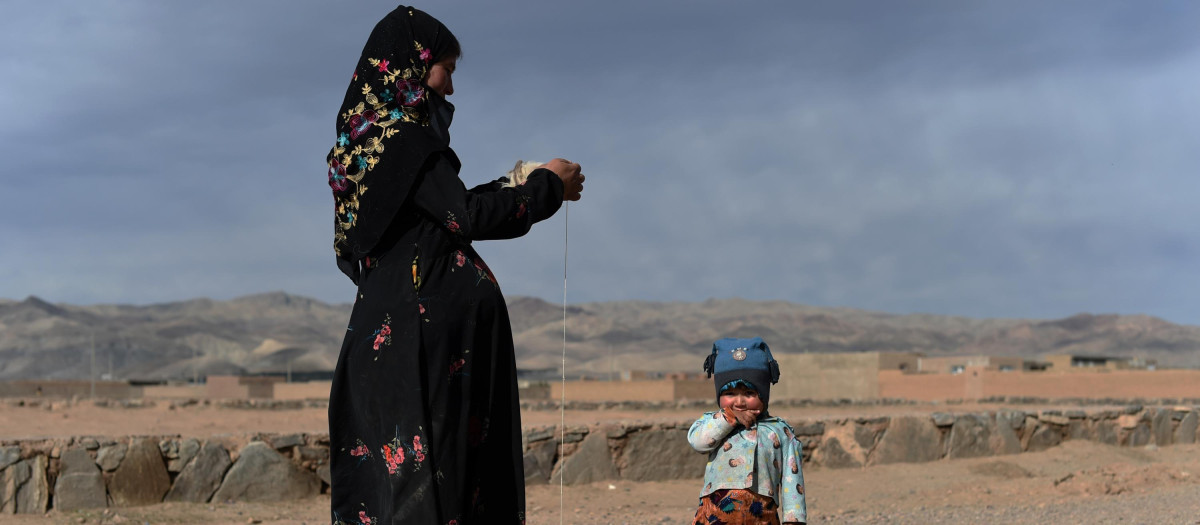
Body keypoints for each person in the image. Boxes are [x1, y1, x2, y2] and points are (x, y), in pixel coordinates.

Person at [324, 6, 584, 524]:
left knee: (398, 492)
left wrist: (517, 184)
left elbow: (442, 213)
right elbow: (465, 216)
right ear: (414, 66)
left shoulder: (364, 146)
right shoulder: (405, 142)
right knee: (434, 488)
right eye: (447, 70)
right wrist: (547, 189)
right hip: (421, 350)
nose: (450, 88)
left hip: (388, 336)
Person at [689, 337, 807, 524]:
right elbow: (698, 442)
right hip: (715, 514)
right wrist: (729, 418)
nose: (739, 402)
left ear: (764, 394)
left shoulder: (780, 431)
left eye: (749, 393)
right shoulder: (714, 422)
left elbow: (792, 479)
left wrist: (794, 518)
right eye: (729, 394)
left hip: (762, 515)